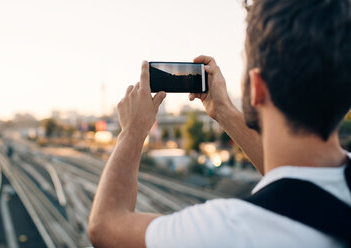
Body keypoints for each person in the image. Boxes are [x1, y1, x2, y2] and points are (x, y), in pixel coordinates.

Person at [88, 0, 351, 247]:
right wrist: (223, 111)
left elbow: (105, 225)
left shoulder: (230, 230)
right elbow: (293, 180)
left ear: (257, 88)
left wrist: (132, 132)